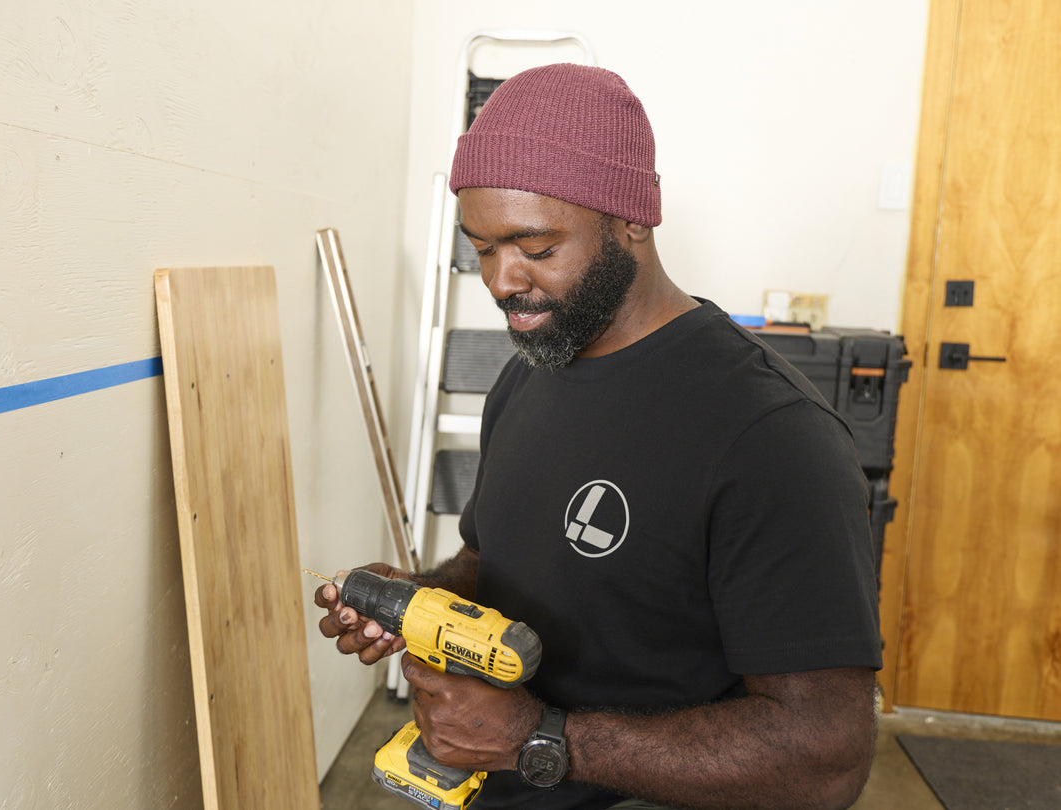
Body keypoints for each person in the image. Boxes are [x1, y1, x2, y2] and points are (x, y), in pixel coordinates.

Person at [315, 63, 881, 810]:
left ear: (631, 220)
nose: (502, 280)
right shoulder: (533, 372)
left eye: (536, 247)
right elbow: (496, 567)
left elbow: (824, 758)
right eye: (482, 248)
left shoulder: (771, 438)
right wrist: (413, 599)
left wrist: (542, 741)